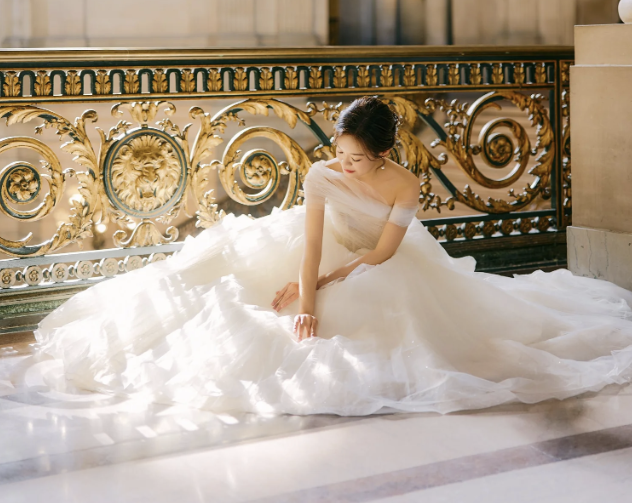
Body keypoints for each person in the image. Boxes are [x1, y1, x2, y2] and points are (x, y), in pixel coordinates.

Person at [30, 97, 632, 416]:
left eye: (355, 158)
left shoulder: (402, 186)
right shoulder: (322, 176)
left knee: (385, 301)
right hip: (322, 245)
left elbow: (384, 251)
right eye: (339, 154)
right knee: (220, 278)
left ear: (382, 155)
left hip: (377, 257)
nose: (343, 165)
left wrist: (326, 284)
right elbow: (312, 242)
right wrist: (306, 294)